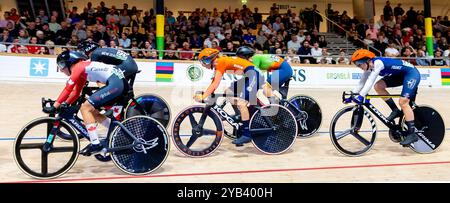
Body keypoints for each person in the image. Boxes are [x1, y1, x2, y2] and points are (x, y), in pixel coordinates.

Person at [44, 50, 129, 155]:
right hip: (117, 82)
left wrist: (55, 106)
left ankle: (95, 144)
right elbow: (76, 92)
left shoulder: (78, 67)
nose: (61, 69)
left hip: (116, 83)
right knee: (92, 112)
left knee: (85, 108)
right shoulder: (82, 70)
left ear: (70, 62)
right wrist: (65, 103)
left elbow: (68, 89)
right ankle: (118, 130)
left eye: (61, 64)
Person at [349, 49, 420, 146]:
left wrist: (361, 96)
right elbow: (362, 83)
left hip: (411, 74)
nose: (359, 67)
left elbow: (370, 81)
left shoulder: (377, 63)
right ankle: (395, 110)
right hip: (399, 75)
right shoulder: (369, 67)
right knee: (378, 86)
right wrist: (352, 94)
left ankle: (412, 134)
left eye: (359, 64)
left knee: (403, 102)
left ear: (367, 60)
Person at [194, 48, 263, 146]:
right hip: (250, 75)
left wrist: (204, 96)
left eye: (203, 61)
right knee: (228, 91)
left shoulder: (220, 62)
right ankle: (242, 114)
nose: (203, 64)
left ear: (209, 59)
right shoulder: (219, 63)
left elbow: (215, 83)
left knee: (241, 103)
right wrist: (205, 93)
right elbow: (214, 81)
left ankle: (247, 134)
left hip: (253, 75)